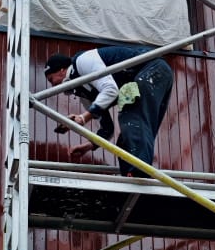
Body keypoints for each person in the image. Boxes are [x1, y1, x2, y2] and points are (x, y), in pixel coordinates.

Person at [43, 44, 174, 176]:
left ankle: (140, 173)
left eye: (51, 79)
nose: (53, 86)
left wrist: (83, 118)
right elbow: (107, 129)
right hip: (147, 76)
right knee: (125, 140)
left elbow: (110, 90)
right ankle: (130, 175)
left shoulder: (83, 61)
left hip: (152, 68)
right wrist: (90, 145)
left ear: (61, 70)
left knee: (133, 119)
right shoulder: (84, 92)